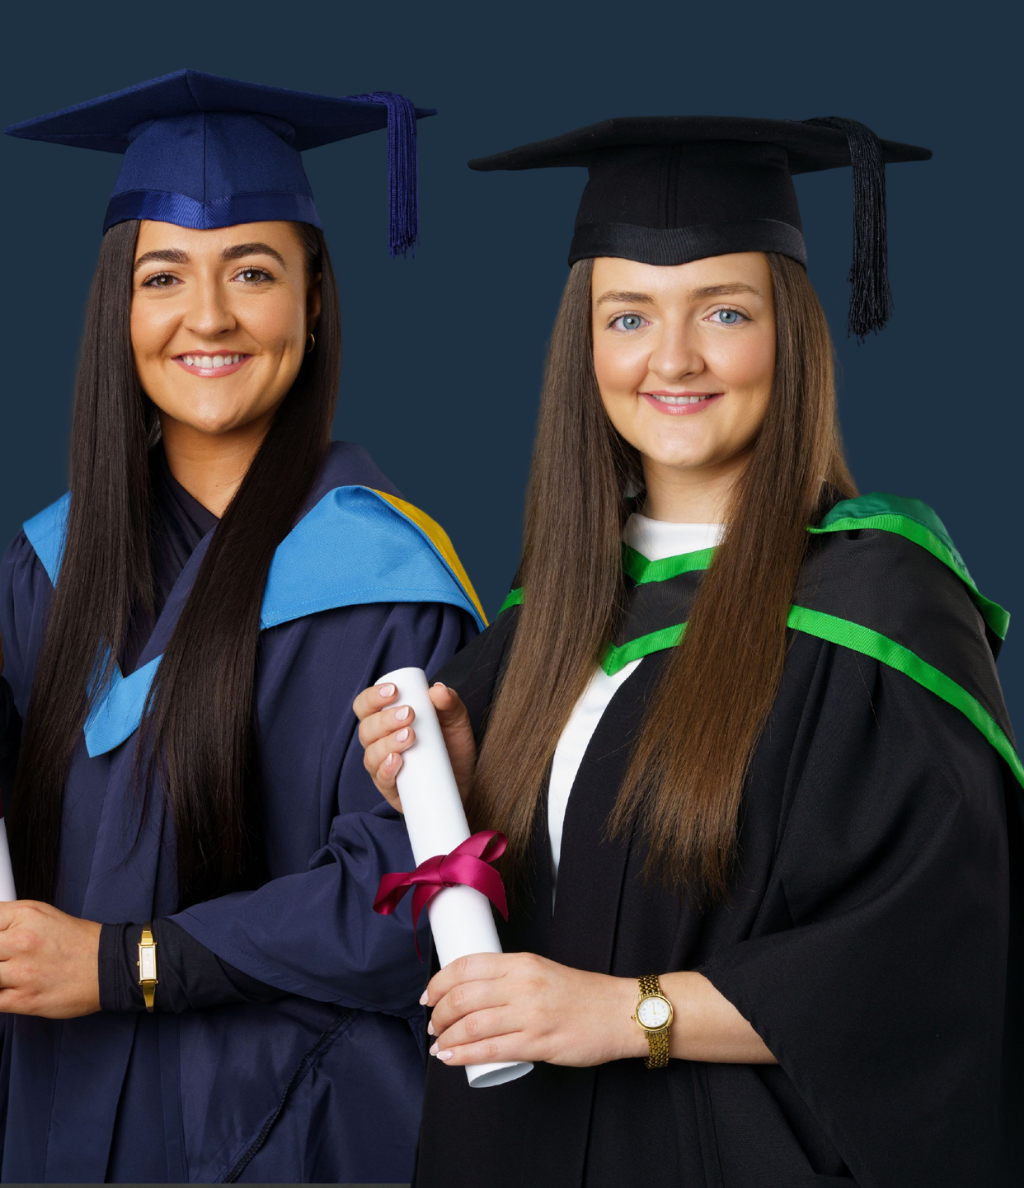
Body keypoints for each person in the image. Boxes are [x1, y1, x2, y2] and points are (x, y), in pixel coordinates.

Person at [355, 114, 1020, 1185]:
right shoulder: (552, 612)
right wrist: (469, 795)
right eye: (628, 317)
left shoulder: (882, 605)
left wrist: (628, 1015)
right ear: (586, 347)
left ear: (790, 333)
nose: (673, 358)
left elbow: (932, 960)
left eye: (723, 309)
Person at [0, 69, 490, 1181]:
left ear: (313, 301)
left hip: (285, 1126)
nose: (207, 318)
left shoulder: (385, 578)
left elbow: (403, 896)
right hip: (62, 1110)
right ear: (121, 307)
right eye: (165, 276)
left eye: (252, 273)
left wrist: (127, 966)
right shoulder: (47, 567)